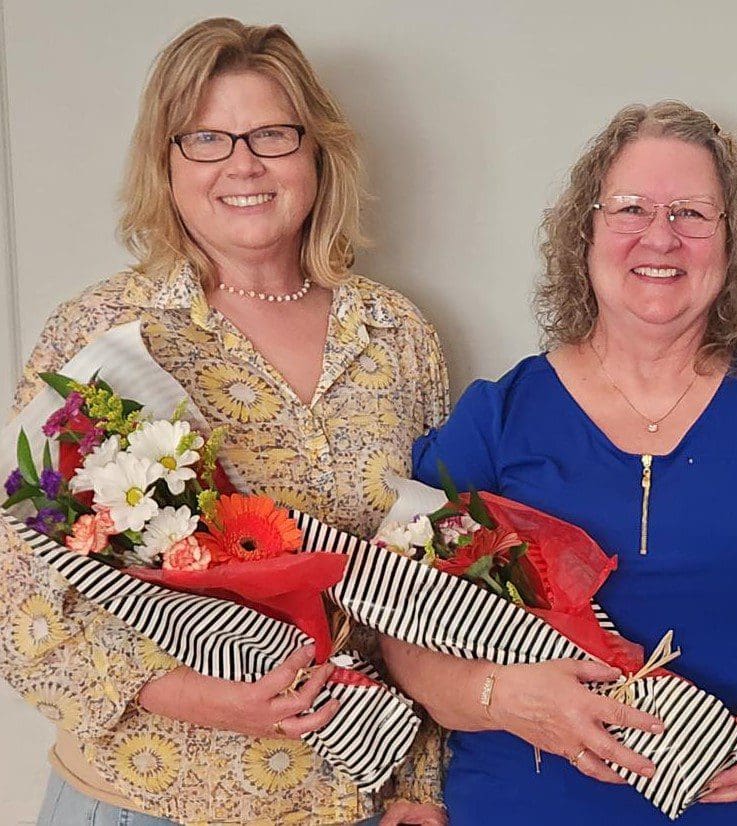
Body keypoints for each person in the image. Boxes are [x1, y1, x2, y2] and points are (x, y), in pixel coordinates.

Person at [379, 101, 737, 824]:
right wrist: (502, 699)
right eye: (630, 208)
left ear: (731, 245)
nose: (660, 236)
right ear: (586, 232)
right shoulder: (497, 417)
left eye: (693, 214)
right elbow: (398, 622)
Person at [0, 18, 448, 825]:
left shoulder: (397, 335)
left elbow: (431, 573)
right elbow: (18, 593)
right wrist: (200, 696)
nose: (242, 163)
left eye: (271, 134)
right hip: (144, 798)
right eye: (205, 138)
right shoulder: (103, 329)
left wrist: (420, 786)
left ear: (316, 152)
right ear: (166, 163)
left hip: (346, 800)